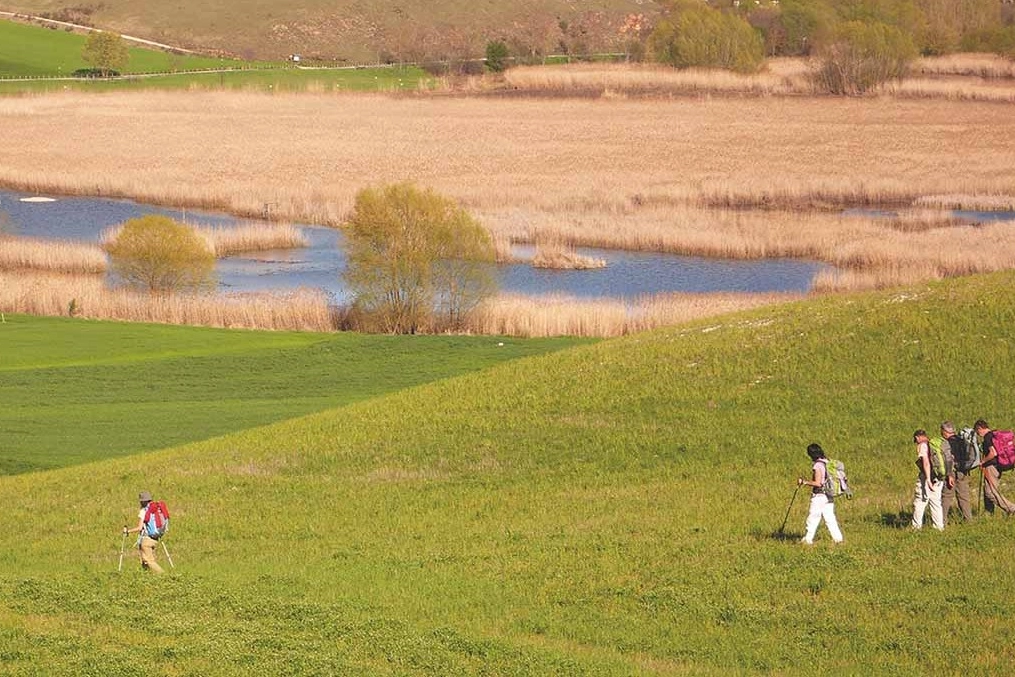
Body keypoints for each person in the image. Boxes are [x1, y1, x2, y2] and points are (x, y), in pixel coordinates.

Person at [797, 443, 844, 545]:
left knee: (813, 517)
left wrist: (804, 482)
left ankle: (807, 539)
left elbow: (818, 483)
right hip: (829, 494)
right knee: (830, 518)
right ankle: (838, 539)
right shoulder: (827, 462)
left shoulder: (817, 465)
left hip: (819, 496)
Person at [973, 419, 1015, 515]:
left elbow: (993, 453)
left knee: (990, 492)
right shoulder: (994, 434)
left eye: (977, 431)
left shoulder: (987, 437)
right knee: (988, 489)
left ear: (980, 428)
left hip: (991, 467)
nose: (978, 434)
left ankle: (1011, 509)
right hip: (998, 466)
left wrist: (983, 461)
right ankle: (989, 512)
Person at [939, 422, 972, 523]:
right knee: (964, 496)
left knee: (946, 497)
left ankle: (942, 521)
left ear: (945, 431)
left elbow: (949, 459)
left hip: (952, 472)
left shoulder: (946, 443)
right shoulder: (962, 440)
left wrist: (949, 475)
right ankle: (968, 520)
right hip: (963, 471)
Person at [123, 491, 164, 573]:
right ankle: (147, 575)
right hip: (155, 538)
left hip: (146, 540)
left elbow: (139, 527)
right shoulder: (156, 509)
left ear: (143, 501)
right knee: (144, 561)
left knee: (149, 561)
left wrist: (128, 531)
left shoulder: (144, 511)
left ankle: (163, 575)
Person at [911, 429, 944, 531]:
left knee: (920, 502)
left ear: (917, 437)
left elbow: (926, 462)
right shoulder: (935, 445)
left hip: (927, 478)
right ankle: (939, 527)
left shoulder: (923, 446)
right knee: (936, 503)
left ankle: (916, 528)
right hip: (939, 477)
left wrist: (928, 480)